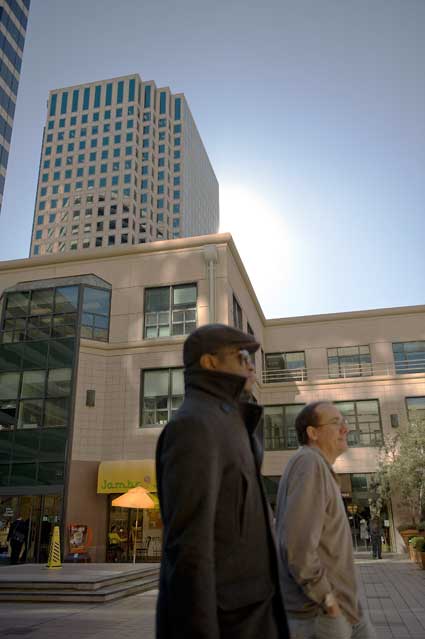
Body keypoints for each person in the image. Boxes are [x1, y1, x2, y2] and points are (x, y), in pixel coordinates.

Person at [156, 323, 289, 639]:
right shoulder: (194, 427)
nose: (250, 364)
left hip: (256, 617)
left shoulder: (231, 422)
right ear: (209, 362)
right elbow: (189, 553)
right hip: (232, 624)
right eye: (242, 355)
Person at [276, 401, 376, 639]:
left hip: (346, 610)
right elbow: (297, 546)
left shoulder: (319, 466)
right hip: (321, 614)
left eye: (344, 423)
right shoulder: (309, 463)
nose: (345, 429)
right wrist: (328, 599)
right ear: (313, 433)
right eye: (335, 423)